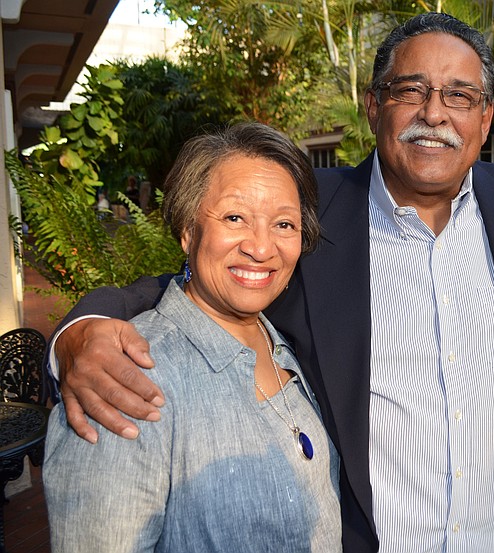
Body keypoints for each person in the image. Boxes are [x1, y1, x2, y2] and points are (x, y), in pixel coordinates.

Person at [50, 14, 494, 553]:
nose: (436, 112)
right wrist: (78, 331)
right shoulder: (312, 214)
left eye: (461, 95)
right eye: (413, 90)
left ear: (486, 118)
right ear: (375, 105)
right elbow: (207, 268)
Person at [43, 122, 341, 552]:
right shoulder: (125, 380)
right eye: (235, 217)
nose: (261, 247)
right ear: (187, 230)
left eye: (284, 224)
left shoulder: (282, 344)